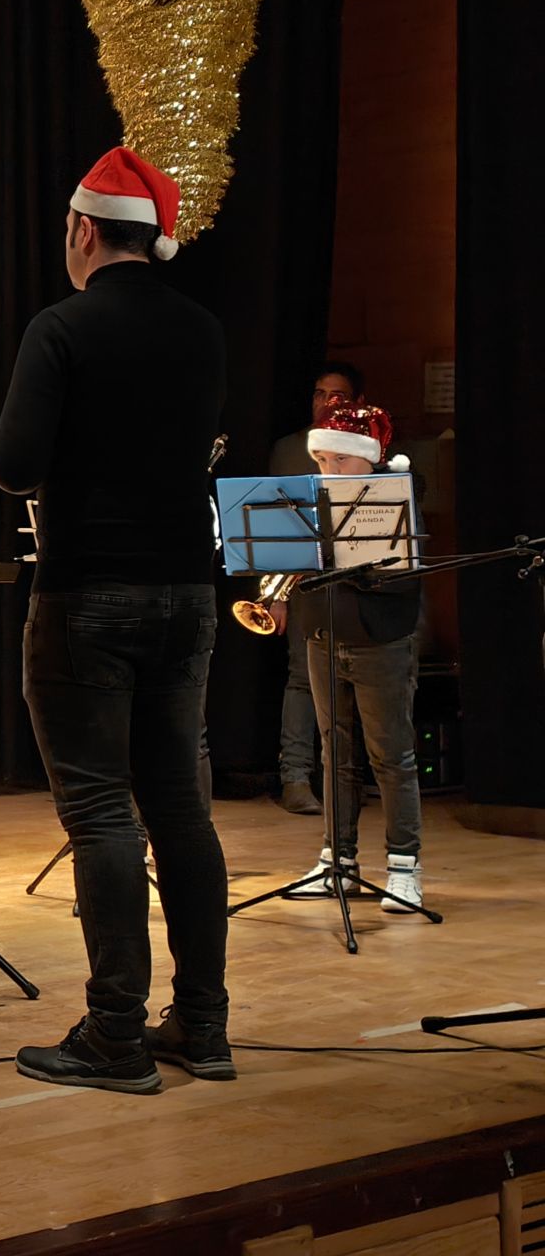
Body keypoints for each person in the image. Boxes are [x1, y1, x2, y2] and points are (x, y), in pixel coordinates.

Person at [0, 147, 232, 1094]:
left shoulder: (62, 327)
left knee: (99, 814)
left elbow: (11, 464)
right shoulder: (204, 330)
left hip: (88, 594)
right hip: (189, 592)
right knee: (181, 809)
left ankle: (117, 1037)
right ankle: (203, 1028)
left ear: (84, 230)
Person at [278, 400, 428, 914]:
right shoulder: (307, 501)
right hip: (323, 633)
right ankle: (336, 861)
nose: (329, 472)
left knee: (392, 756)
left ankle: (404, 866)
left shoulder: (396, 497)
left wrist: (350, 563)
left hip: (380, 638)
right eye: (321, 461)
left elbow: (403, 576)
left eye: (341, 461)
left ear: (369, 458)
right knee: (334, 752)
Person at [263, 361, 364, 816]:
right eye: (320, 393)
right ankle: (296, 779)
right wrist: (274, 595)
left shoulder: (371, 446)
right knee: (302, 683)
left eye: (338, 394)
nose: (327, 402)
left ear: (357, 403)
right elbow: (269, 526)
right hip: (304, 586)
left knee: (356, 684)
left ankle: (344, 780)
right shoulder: (288, 449)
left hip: (358, 585)